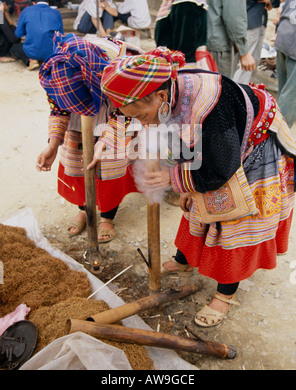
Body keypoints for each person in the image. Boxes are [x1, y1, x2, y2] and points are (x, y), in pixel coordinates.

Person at [88, 46, 296, 327]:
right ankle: (186, 258)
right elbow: (125, 113)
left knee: (234, 217)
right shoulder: (158, 87)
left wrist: (173, 179)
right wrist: (107, 140)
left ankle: (225, 294)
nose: (140, 123)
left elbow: (221, 170)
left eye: (141, 116)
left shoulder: (212, 104)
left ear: (161, 97)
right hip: (217, 141)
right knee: (195, 204)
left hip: (253, 143)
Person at [37, 32, 141, 240]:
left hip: (116, 110)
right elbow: (59, 110)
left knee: (112, 164)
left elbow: (123, 114)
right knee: (77, 163)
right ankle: (85, 210)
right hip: (79, 121)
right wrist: (53, 144)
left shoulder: (122, 72)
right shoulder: (56, 72)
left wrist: (105, 141)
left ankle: (107, 217)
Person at [15, 0, 63, 69]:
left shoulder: (26, 11)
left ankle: (32, 60)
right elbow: (61, 35)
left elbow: (18, 34)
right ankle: (48, 61)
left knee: (15, 48)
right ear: (48, 2)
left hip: (32, 52)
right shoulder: (56, 13)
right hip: (51, 52)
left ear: (33, 3)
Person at [275, 0, 296, 128]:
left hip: (284, 34)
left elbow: (286, 4)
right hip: (294, 41)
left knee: (283, 91)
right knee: (290, 96)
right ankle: (277, 138)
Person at [0, 0, 32, 67]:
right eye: (8, 6)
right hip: (1, 48)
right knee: (16, 47)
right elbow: (11, 38)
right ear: (4, 4)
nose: (8, 8)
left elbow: (10, 27)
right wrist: (18, 37)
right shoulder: (0, 15)